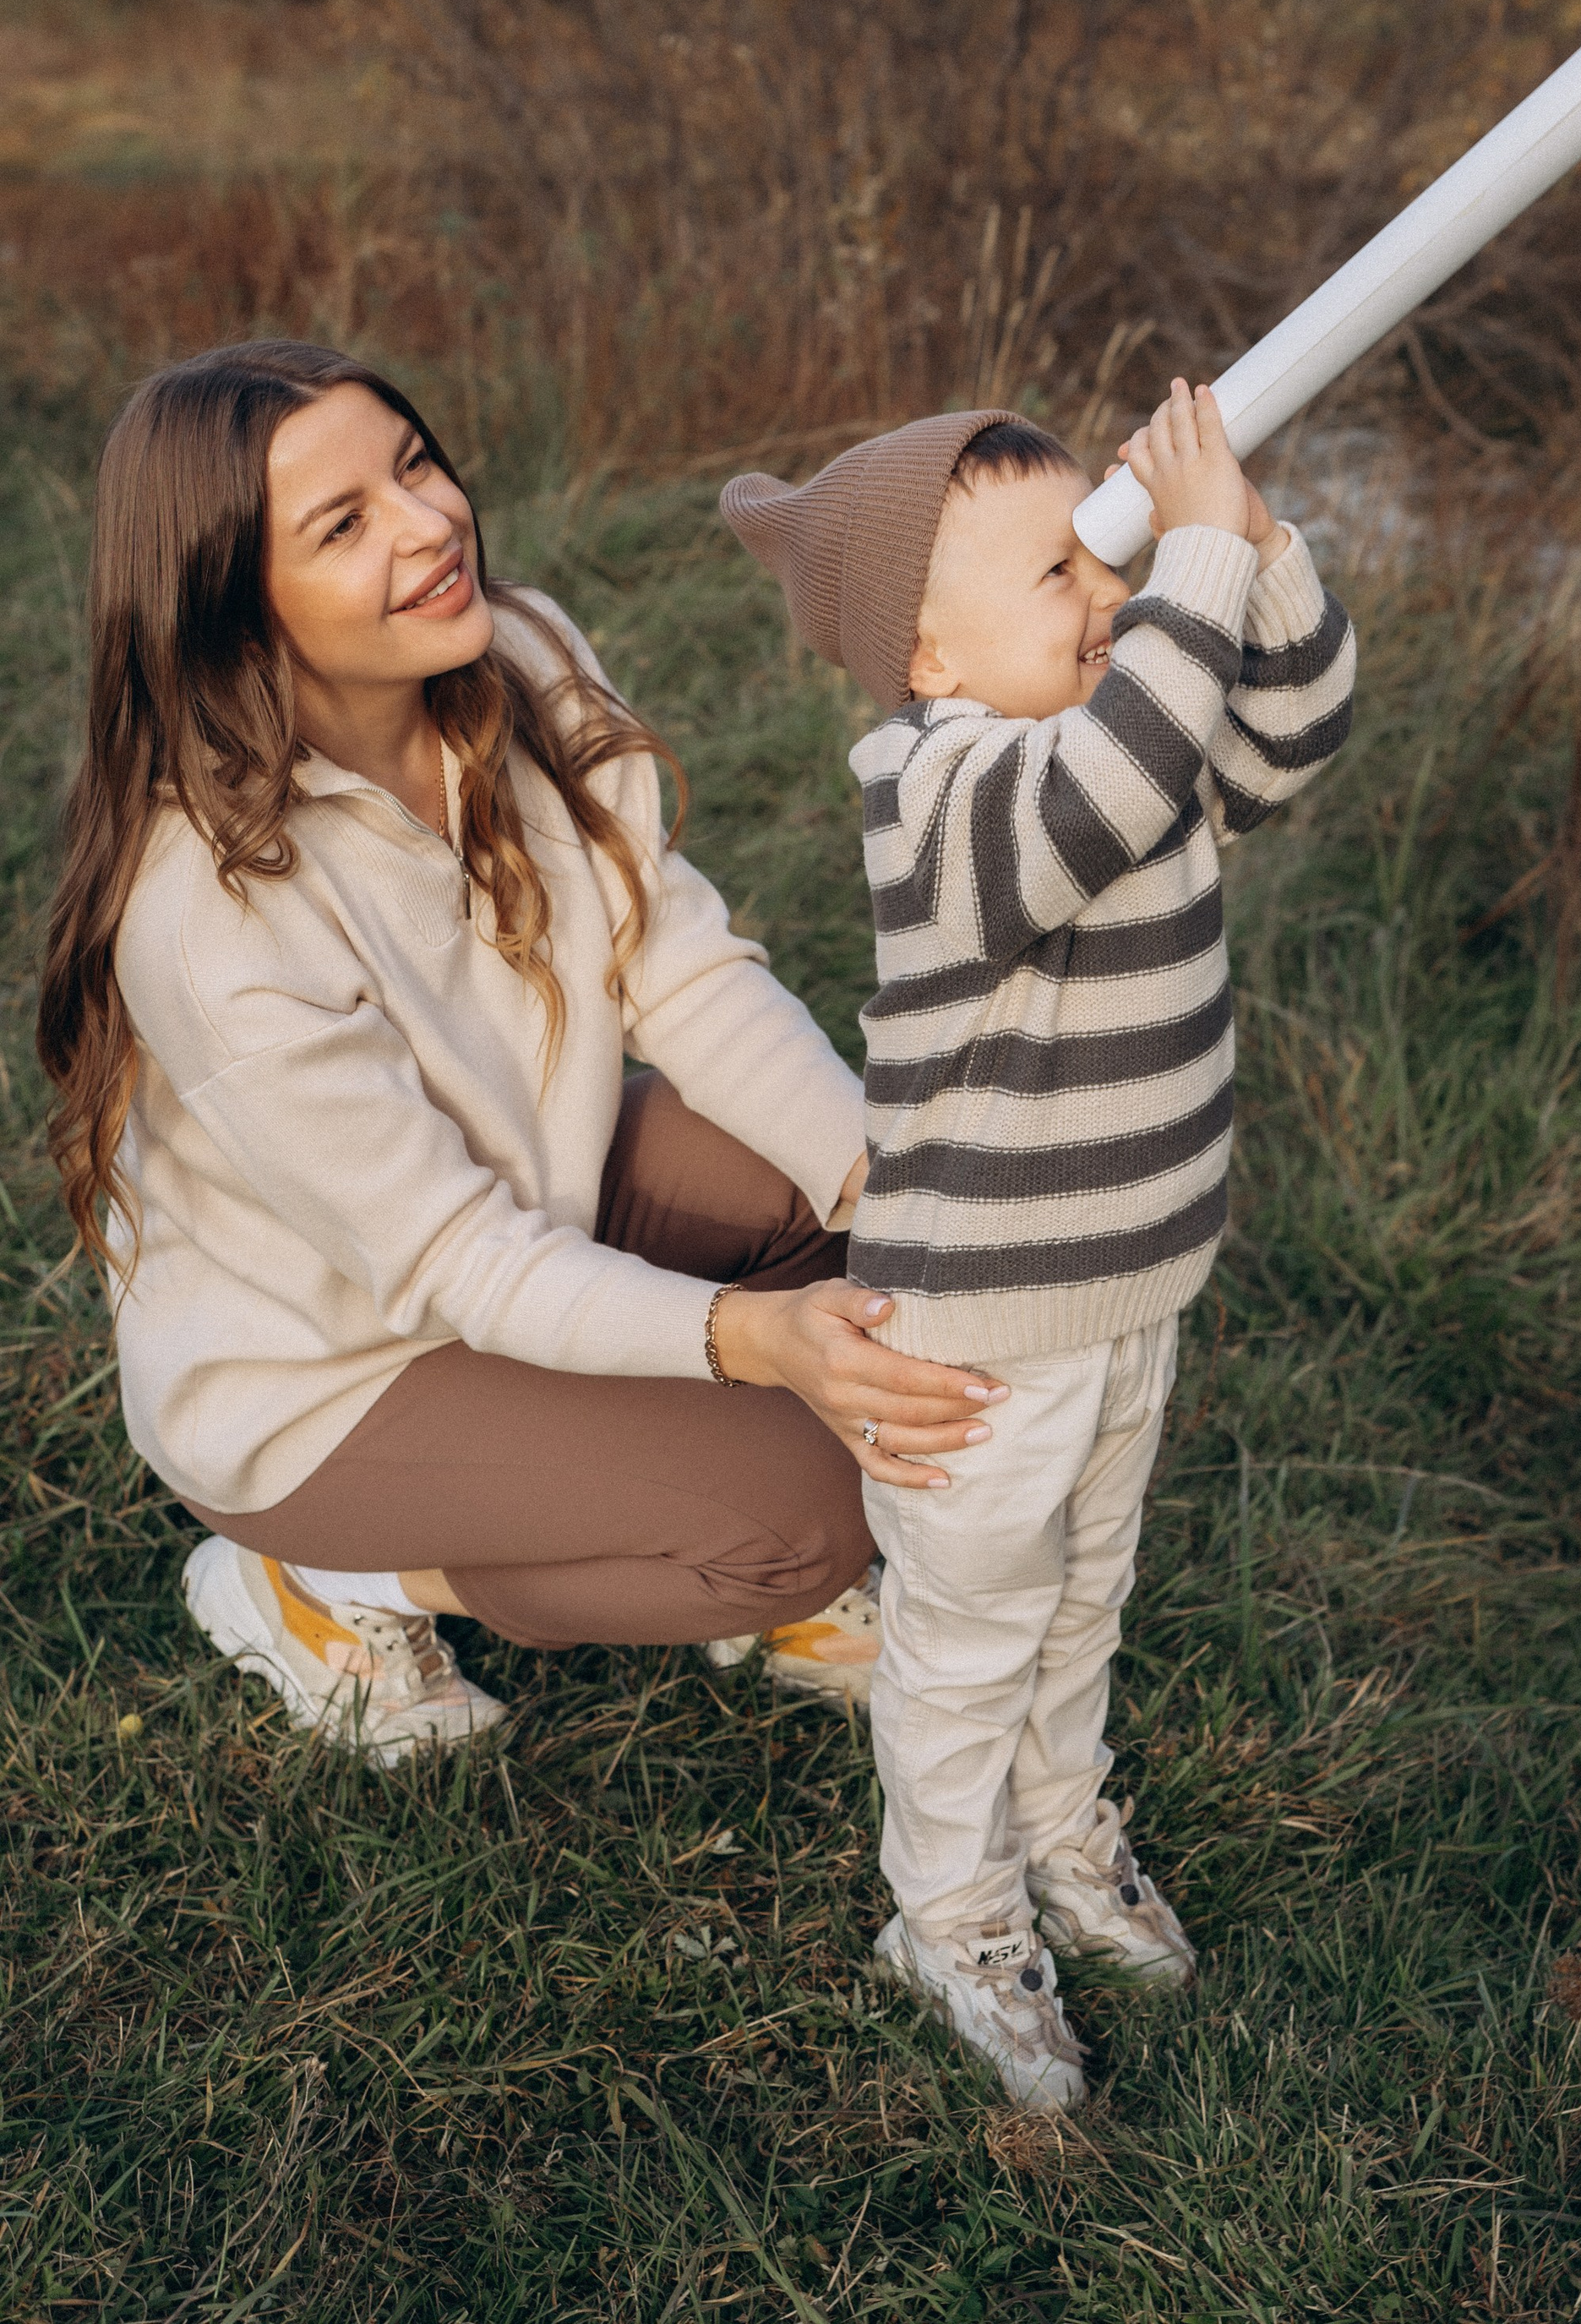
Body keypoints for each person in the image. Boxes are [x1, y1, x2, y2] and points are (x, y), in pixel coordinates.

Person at [35, 341, 1006, 1765]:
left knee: (883, 1225)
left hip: (542, 1190)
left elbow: (673, 965)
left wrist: (880, 1175)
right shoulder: (205, 915)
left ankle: (667, 1471)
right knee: (812, 1514)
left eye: (414, 463)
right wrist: (752, 1341)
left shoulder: (518, 649)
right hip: (334, 1371)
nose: (432, 525)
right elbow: (453, 1263)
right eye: (344, 523)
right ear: (233, 610)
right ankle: (321, 1580)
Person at [722, 377, 1355, 2108]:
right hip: (983, 1330)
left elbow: (1285, 739)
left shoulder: (1131, 749)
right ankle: (948, 1910)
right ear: (923, 656)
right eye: (1064, 578)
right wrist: (1194, 571)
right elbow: (1107, 782)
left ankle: (1064, 1833)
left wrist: (1260, 544)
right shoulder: (938, 790)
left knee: (1083, 1595)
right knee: (967, 1625)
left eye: (1115, 564)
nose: (1114, 603)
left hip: (1129, 1291)